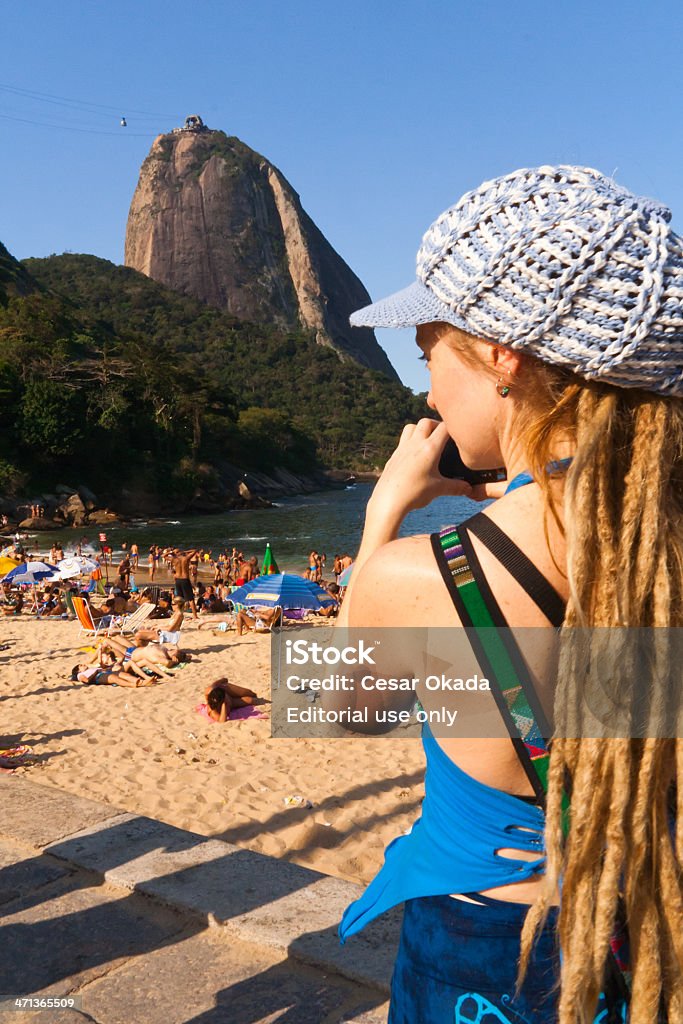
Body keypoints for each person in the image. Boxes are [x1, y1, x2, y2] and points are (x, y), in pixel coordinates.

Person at [335, 166, 683, 1023]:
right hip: (656, 926)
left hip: (493, 950)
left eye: (429, 355)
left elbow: (340, 708)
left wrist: (384, 518)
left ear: (501, 357)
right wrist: (517, 488)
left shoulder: (426, 580)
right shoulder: (652, 548)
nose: (427, 393)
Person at [171, 549, 198, 618]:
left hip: (177, 580)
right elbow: (195, 551)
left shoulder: (174, 559)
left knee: (179, 599)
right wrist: (185, 551)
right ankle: (195, 615)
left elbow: (163, 556)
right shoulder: (186, 558)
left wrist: (170, 552)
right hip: (185, 579)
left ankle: (178, 614)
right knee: (190, 599)